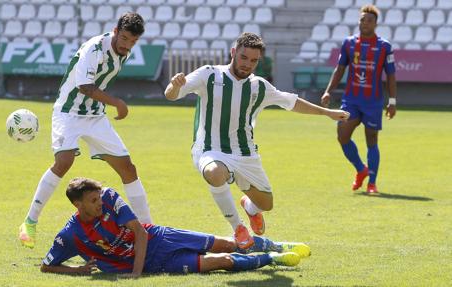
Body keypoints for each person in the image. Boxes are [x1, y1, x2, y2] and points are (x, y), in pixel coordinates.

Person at [164, 32, 350, 249]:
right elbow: (171, 94)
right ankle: (238, 228)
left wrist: (327, 113)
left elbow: (291, 102)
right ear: (233, 53)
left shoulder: (259, 86)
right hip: (209, 149)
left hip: (245, 153)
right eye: (243, 57)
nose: (247, 64)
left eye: (253, 61)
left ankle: (251, 208)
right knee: (215, 173)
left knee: (266, 204)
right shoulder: (209, 74)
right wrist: (175, 85)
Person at [19, 12, 152, 249]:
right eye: (124, 38)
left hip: (95, 116)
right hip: (68, 112)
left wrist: (107, 104)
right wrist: (118, 103)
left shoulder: (124, 51)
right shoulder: (94, 48)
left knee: (128, 168)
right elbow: (84, 86)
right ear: (115, 30)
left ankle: (147, 229)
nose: (127, 44)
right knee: (64, 161)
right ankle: (30, 221)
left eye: (133, 41)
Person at [40, 177, 311, 277]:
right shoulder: (70, 235)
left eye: (98, 198)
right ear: (78, 205)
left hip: (158, 239)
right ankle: (272, 258)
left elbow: (140, 232)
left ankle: (277, 244)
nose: (99, 203)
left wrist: (135, 274)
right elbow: (46, 265)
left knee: (227, 243)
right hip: (155, 264)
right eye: (92, 201)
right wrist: (77, 269)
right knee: (224, 261)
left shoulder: (109, 197)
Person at [320, 5, 397, 195]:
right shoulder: (349, 43)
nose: (365, 23)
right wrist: (328, 91)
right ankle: (360, 169)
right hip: (351, 100)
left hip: (373, 101)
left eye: (369, 20)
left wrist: (392, 101)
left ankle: (372, 182)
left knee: (371, 140)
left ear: (375, 23)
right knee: (342, 135)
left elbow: (391, 75)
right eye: (362, 20)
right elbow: (340, 69)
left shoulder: (384, 46)